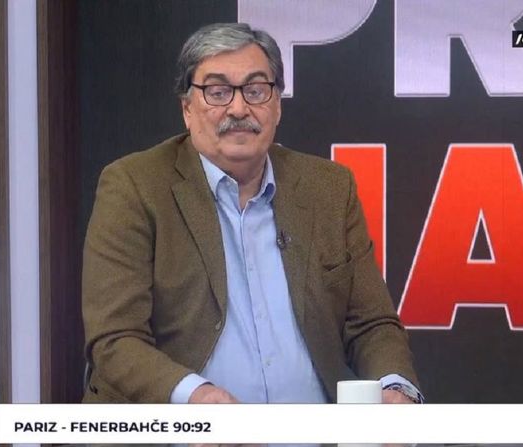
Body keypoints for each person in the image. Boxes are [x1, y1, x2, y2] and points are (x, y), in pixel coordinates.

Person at [82, 22, 422, 405]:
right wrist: (195, 397)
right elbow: (116, 338)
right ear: (187, 109)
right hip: (186, 429)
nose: (239, 108)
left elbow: (371, 323)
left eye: (256, 90)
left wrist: (396, 387)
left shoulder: (328, 187)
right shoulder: (135, 186)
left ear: (277, 106)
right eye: (218, 92)